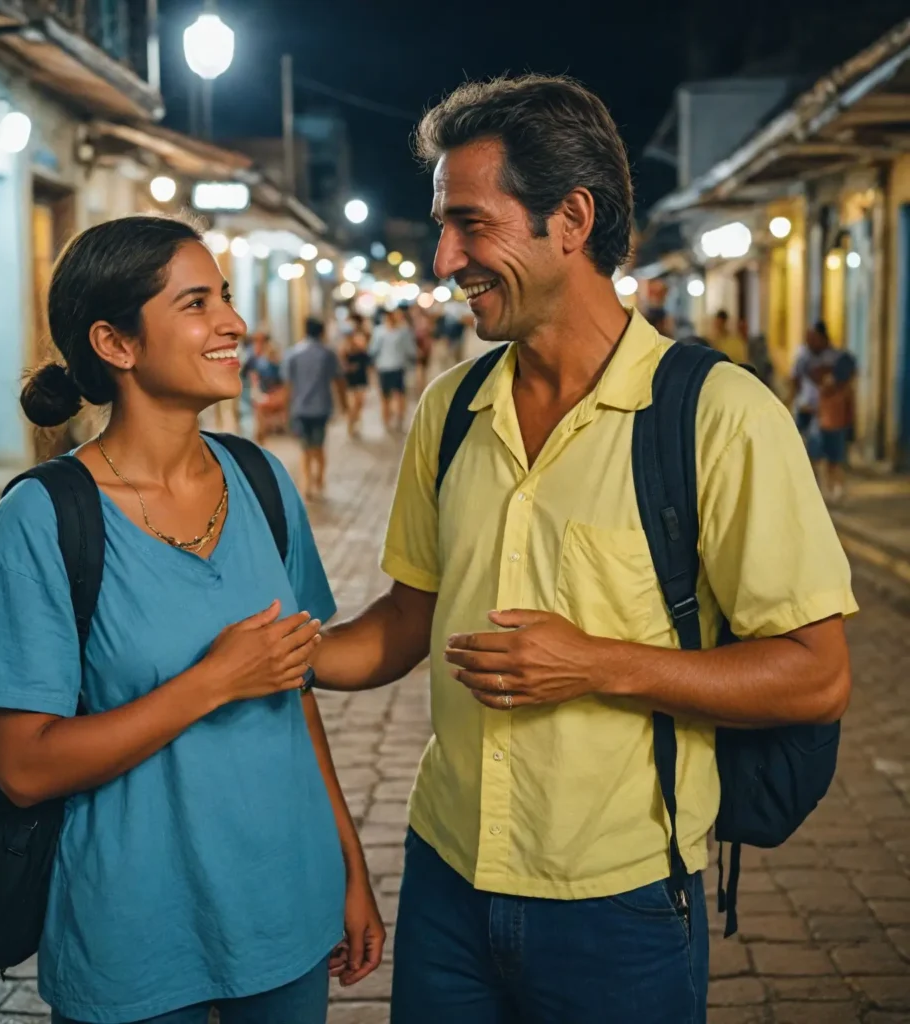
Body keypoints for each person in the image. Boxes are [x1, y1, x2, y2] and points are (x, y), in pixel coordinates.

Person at [307, 75, 856, 1024]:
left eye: (470, 224)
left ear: (571, 217)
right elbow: (411, 616)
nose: (444, 259)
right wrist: (283, 657)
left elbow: (815, 675)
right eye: (442, 226)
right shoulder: (450, 411)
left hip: (624, 902)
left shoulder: (716, 416)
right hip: (446, 877)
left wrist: (595, 663)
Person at [0, 216, 384, 1024]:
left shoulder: (260, 482)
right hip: (135, 931)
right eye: (196, 303)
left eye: (223, 295)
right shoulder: (45, 521)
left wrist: (348, 862)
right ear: (116, 344)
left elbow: (294, 688)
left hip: (287, 906)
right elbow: (26, 767)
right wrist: (213, 682)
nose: (232, 322)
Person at [283, 317, 347, 501]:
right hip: (321, 407)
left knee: (304, 447)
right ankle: (319, 477)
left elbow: (288, 385)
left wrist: (286, 409)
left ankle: (307, 483)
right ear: (321, 332)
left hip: (300, 408)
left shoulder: (293, 353)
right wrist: (344, 404)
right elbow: (339, 380)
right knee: (319, 445)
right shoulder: (327, 353)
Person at [790, 321, 837, 455]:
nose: (810, 341)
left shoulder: (832, 357)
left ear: (823, 338)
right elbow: (795, 378)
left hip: (822, 409)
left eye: (813, 338)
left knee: (816, 445)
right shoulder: (803, 355)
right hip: (803, 406)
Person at [815, 349, 857, 502]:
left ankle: (833, 490)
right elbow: (849, 411)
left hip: (829, 425)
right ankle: (833, 489)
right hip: (834, 426)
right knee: (834, 462)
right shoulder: (842, 388)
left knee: (831, 462)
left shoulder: (834, 386)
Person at [369, 307, 418, 432]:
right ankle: (391, 419)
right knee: (393, 395)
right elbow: (410, 349)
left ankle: (392, 419)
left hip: (391, 367)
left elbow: (373, 350)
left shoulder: (383, 331)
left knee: (393, 395)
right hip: (391, 367)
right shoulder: (397, 331)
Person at [248, 331, 288, 443]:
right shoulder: (257, 359)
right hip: (263, 393)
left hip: (274, 393)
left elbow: (282, 381)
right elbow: (254, 378)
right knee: (260, 414)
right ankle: (260, 438)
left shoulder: (273, 362)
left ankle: (263, 436)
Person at [340, 313, 372, 437]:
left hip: (361, 374)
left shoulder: (362, 338)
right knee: (353, 402)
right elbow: (342, 359)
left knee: (360, 401)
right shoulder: (344, 344)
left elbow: (365, 353)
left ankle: (355, 421)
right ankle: (351, 423)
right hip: (350, 376)